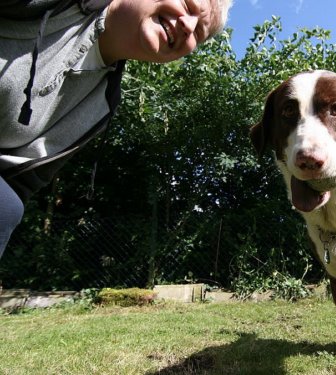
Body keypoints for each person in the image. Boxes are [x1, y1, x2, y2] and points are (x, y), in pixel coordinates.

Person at [0, 0, 233, 258]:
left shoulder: (102, 104)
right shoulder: (59, 7)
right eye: (188, 5)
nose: (189, 26)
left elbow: (21, 179)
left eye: (199, 32)